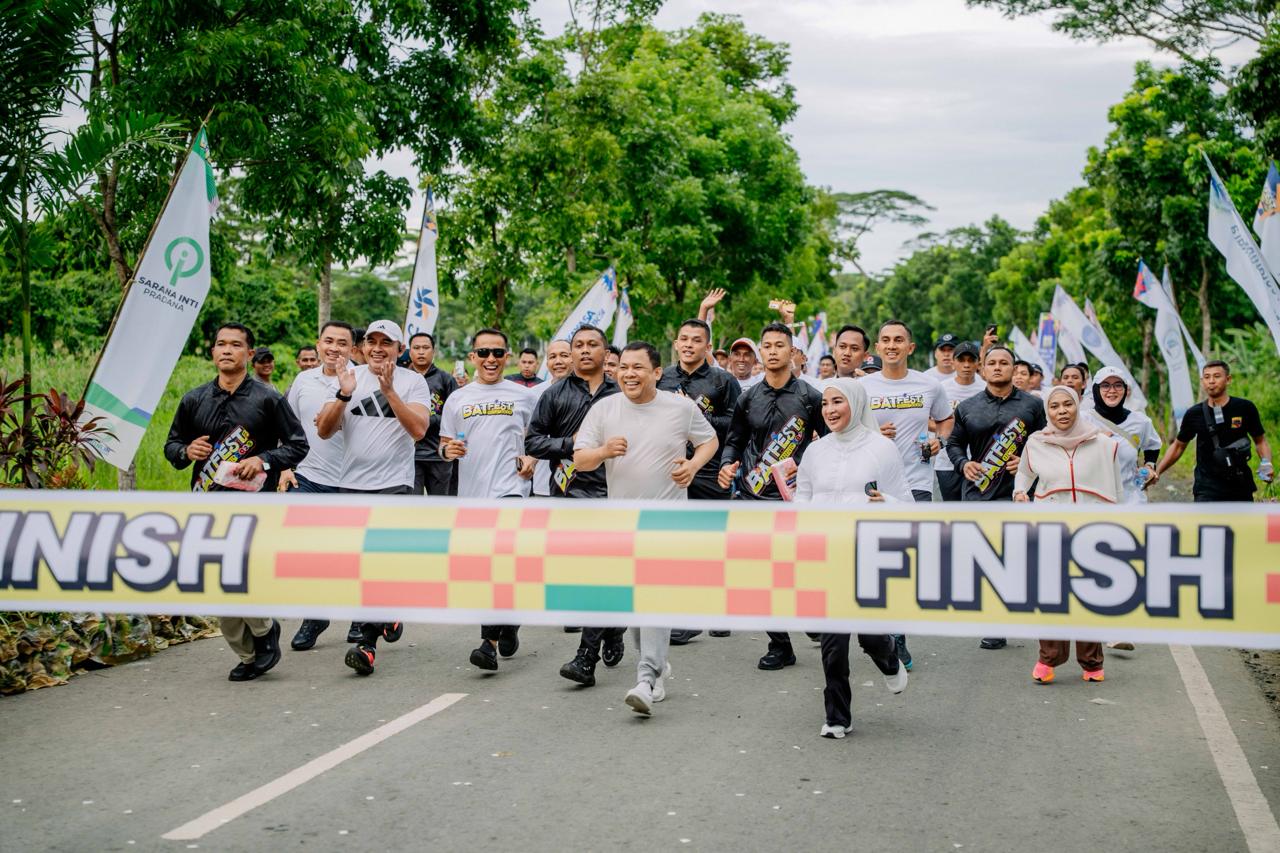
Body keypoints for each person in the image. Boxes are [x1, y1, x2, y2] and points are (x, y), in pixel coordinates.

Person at [573, 341, 718, 716]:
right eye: (623, 367)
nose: (629, 374)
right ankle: (655, 665)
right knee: (637, 603)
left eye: (637, 367)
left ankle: (646, 678)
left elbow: (709, 441)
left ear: (656, 372)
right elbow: (580, 459)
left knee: (654, 596)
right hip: (622, 524)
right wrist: (604, 452)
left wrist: (692, 466)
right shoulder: (605, 409)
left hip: (667, 522)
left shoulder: (680, 408)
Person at [164, 323, 308, 682]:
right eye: (220, 344)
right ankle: (249, 653)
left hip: (254, 506)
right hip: (206, 505)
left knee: (240, 573)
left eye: (235, 345)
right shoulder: (194, 399)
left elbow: (298, 445)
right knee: (216, 583)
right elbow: (172, 446)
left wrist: (263, 459)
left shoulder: (268, 399)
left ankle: (263, 632)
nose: (226, 350)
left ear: (249, 353)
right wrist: (185, 450)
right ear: (213, 351)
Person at [314, 320, 431, 675]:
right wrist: (343, 394)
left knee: (379, 562)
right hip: (351, 484)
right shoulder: (347, 377)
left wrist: (390, 390)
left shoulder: (413, 381)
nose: (378, 348)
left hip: (394, 484)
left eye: (386, 343)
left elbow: (419, 430)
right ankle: (389, 612)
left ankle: (365, 644)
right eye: (372, 341)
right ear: (362, 347)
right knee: (356, 566)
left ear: (400, 349)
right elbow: (324, 431)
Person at [796, 378, 910, 738]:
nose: (830, 410)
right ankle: (837, 717)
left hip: (867, 554)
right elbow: (803, 496)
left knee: (870, 636)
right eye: (825, 403)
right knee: (833, 642)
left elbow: (905, 502)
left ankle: (888, 659)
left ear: (856, 404)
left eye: (838, 402)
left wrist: (887, 503)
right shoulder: (815, 451)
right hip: (827, 553)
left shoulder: (881, 449)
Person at [718, 322, 826, 671]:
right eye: (767, 345)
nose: (773, 351)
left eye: (780, 345)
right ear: (761, 352)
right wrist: (727, 465)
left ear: (792, 352)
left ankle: (809, 612)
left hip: (794, 500)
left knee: (797, 569)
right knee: (756, 575)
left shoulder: (811, 397)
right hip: (752, 497)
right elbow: (734, 440)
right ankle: (780, 645)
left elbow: (829, 444)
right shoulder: (748, 397)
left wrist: (806, 466)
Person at [526, 325, 625, 685]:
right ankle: (613, 626)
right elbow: (533, 442)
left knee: (602, 574)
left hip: (615, 494)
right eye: (578, 345)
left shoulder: (622, 394)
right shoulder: (554, 394)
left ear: (605, 352)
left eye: (592, 344)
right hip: (569, 495)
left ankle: (586, 657)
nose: (585, 350)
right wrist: (573, 444)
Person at [440, 328, 538, 672]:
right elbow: (444, 443)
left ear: (507, 357)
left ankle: (488, 644)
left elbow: (538, 438)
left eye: (498, 353)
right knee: (484, 571)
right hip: (472, 496)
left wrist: (532, 458)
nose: (491, 359)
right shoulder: (458, 399)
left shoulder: (524, 396)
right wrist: (448, 451)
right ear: (473, 357)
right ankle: (508, 621)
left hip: (511, 490)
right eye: (483, 353)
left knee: (501, 563)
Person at [860, 319, 952, 670]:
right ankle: (883, 631)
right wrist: (871, 433)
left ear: (910, 347)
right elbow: (843, 428)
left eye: (898, 340)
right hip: (873, 485)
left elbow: (945, 420)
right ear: (878, 348)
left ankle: (897, 637)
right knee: (875, 561)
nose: (892, 345)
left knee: (906, 563)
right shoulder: (863, 386)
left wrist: (939, 440)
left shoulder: (929, 385)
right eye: (885, 340)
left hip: (916, 484)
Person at [1014, 385, 1122, 684]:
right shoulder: (1037, 442)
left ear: (1077, 406)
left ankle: (1091, 663)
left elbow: (1117, 487)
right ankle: (1048, 658)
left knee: (1089, 595)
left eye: (1067, 404)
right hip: (1051, 528)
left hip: (1092, 529)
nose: (1062, 411)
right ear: (1047, 411)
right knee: (1052, 594)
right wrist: (1020, 492)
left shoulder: (1104, 444)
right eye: (1054, 406)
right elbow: (1024, 473)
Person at [945, 345, 1046, 651]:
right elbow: (954, 444)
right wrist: (964, 464)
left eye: (1004, 362)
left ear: (1014, 369)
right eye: (992, 363)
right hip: (978, 494)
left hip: (1018, 493)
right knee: (984, 558)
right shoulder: (967, 407)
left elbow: (1046, 442)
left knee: (1014, 558)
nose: (998, 367)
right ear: (983, 369)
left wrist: (1028, 461)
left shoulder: (1032, 405)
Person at [658, 318, 742, 644]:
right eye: (684, 339)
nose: (689, 345)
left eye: (696, 340)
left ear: (707, 347)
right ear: (676, 344)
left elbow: (735, 425)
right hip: (670, 470)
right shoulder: (663, 378)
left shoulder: (723, 381)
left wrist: (694, 413)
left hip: (709, 470)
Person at [281, 321, 356, 652]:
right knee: (304, 552)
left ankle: (362, 618)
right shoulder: (303, 380)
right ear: (318, 344)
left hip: (353, 483)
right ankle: (315, 615)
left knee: (349, 556)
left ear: (352, 349)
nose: (334, 348)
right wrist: (285, 466)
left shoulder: (362, 380)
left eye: (342, 343)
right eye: (329, 341)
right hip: (308, 478)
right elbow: (286, 427)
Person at [1152, 360, 1273, 502]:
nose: (1211, 381)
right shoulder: (1194, 413)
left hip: (1240, 485)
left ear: (1228, 379)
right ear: (1202, 381)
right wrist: (1157, 472)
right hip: (1207, 488)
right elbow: (1178, 446)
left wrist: (1266, 463)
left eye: (1216, 376)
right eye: (1207, 377)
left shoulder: (1245, 408)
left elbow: (1260, 441)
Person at [1084, 366, 1159, 505]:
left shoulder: (1141, 421)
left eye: (1118, 385)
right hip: (1092, 502)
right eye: (1105, 385)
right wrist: (1092, 436)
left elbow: (1153, 445)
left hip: (1131, 500)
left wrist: (1149, 466)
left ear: (1125, 389)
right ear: (1096, 389)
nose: (1112, 390)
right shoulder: (1083, 420)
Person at [405, 331, 459, 497]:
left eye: (425, 348)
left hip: (438, 454)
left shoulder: (446, 380)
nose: (421, 352)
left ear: (433, 351)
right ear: (409, 352)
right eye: (416, 348)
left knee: (441, 504)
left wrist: (428, 420)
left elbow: (456, 416)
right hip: (409, 455)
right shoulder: (401, 378)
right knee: (412, 505)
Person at [934, 341, 984, 501]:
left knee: (976, 508)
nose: (966, 365)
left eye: (971, 360)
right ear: (953, 362)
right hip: (946, 462)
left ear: (978, 363)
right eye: (961, 360)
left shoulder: (986, 389)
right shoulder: (941, 388)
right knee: (951, 510)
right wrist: (951, 428)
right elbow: (927, 420)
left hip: (979, 463)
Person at [529, 339, 574, 498]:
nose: (558, 361)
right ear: (547, 362)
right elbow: (528, 435)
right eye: (552, 357)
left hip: (579, 484)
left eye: (564, 355)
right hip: (542, 484)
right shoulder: (533, 394)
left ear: (574, 357)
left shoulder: (587, 391)